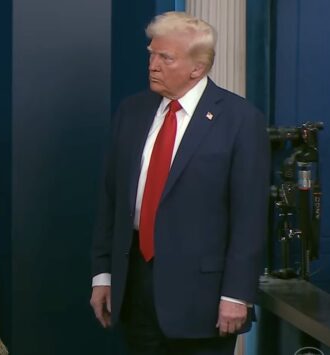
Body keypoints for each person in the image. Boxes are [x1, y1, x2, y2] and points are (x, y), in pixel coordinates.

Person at [89, 11, 269, 355]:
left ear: (197, 68)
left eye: (165, 58)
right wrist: (104, 275)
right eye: (151, 54)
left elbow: (250, 217)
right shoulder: (132, 111)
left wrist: (237, 294)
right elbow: (110, 200)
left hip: (204, 296)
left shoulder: (240, 120)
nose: (152, 65)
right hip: (136, 287)